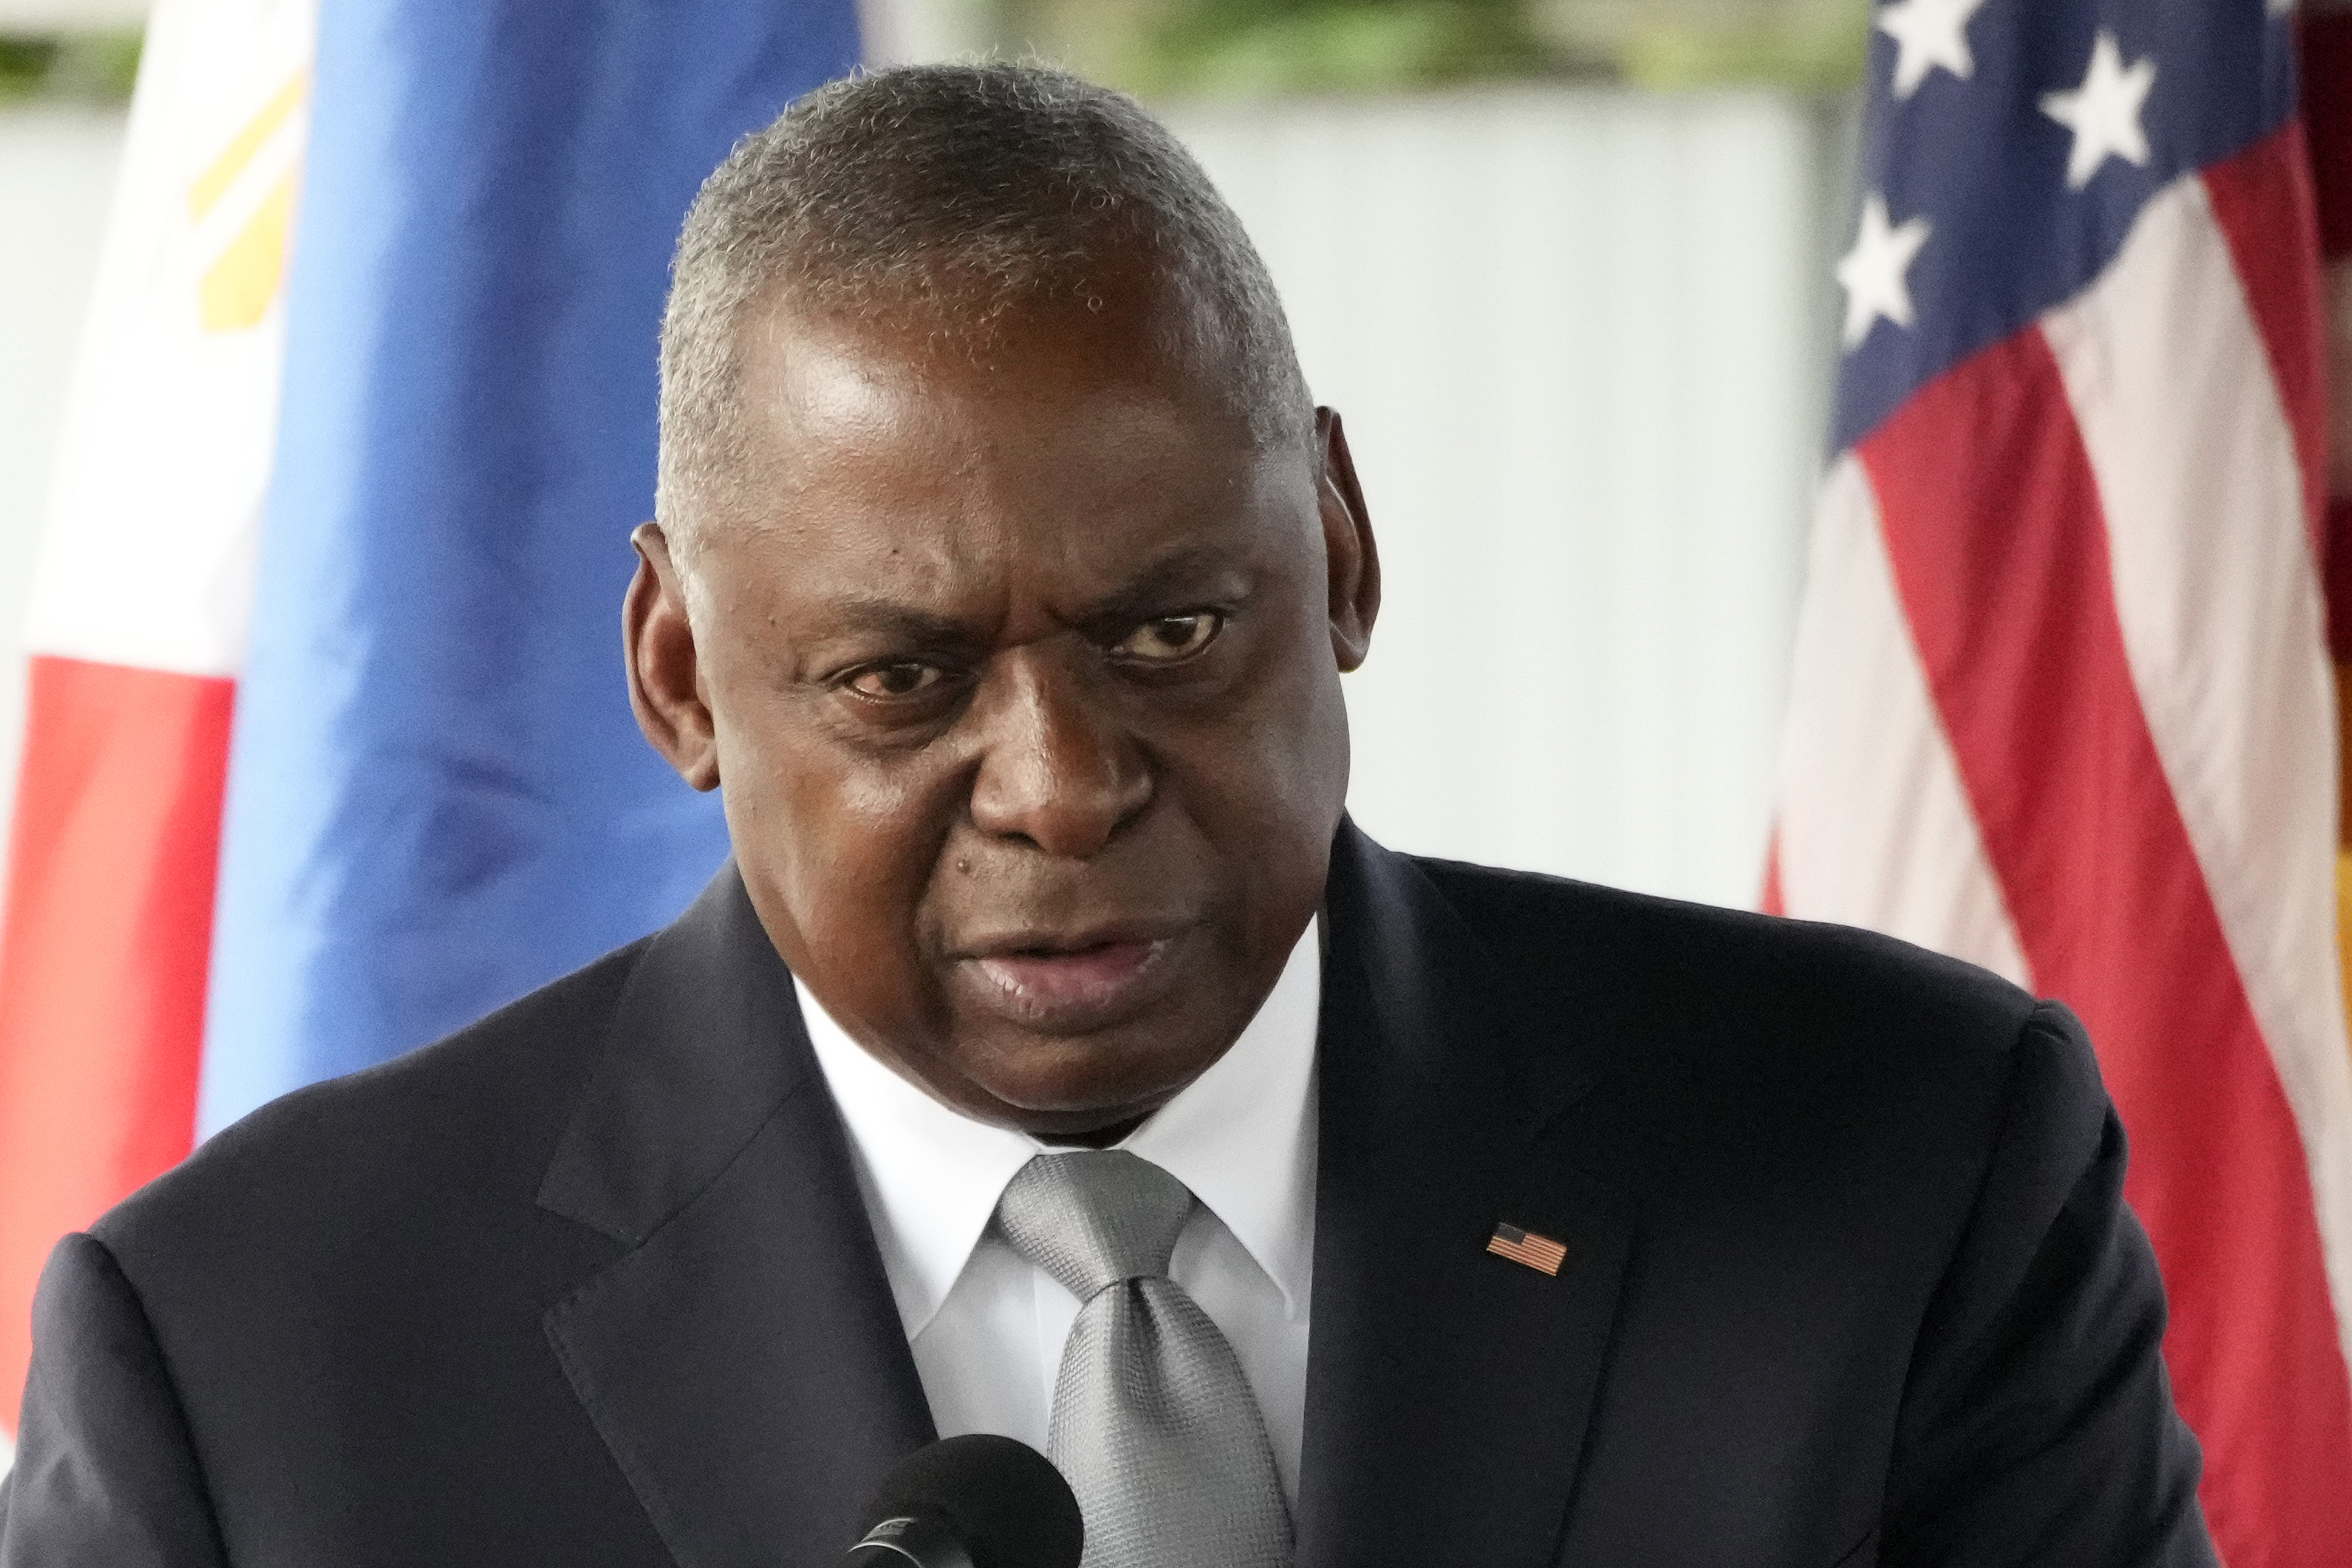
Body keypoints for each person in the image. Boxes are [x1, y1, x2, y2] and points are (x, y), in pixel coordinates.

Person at [0, 63, 2213, 1568]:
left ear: (1338, 549)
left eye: (1168, 636)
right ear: (679, 673)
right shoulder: (255, 1371)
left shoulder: (1909, 1167)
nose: (1063, 788)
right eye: (903, 682)